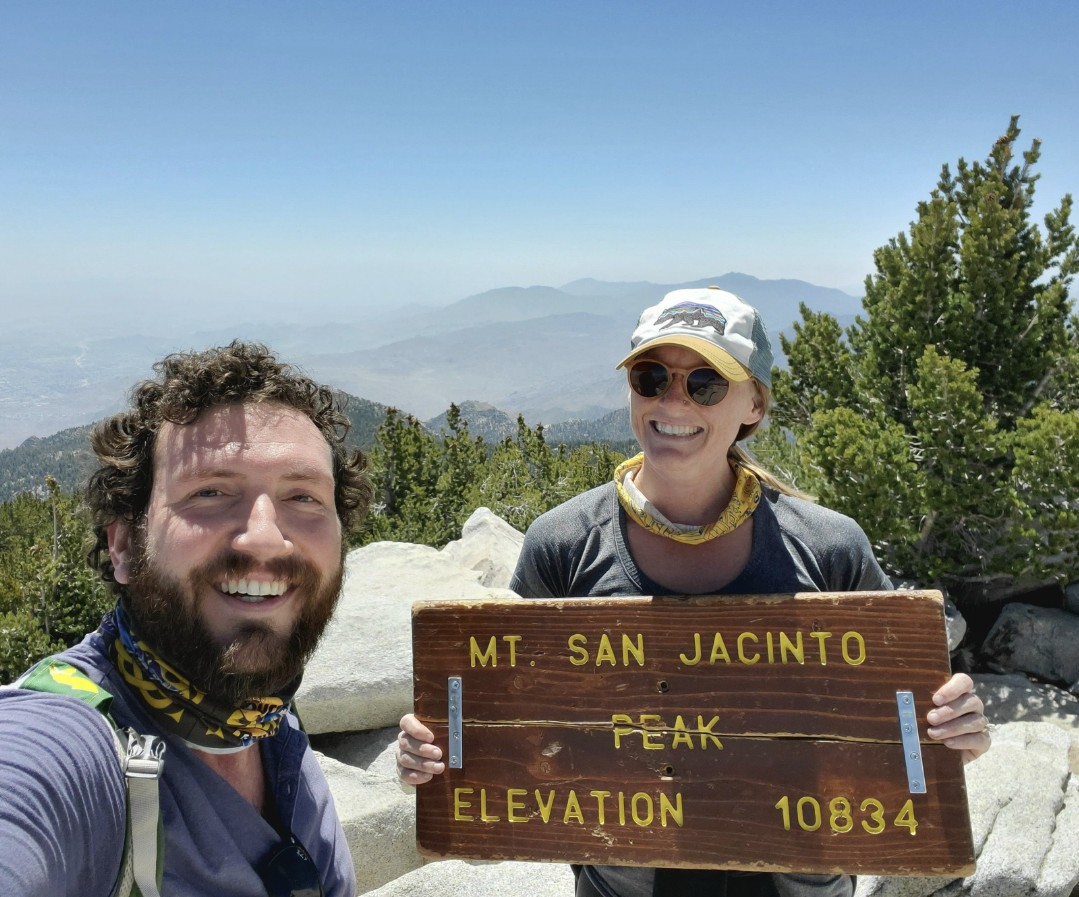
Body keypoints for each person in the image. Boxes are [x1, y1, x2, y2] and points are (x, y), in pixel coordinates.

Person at [397, 287, 991, 897]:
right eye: (651, 377)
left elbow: (899, 718)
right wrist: (435, 755)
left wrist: (952, 733)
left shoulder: (830, 547)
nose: (672, 400)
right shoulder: (563, 545)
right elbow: (505, 719)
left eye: (705, 383)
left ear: (754, 404)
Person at [0, 341, 372, 897]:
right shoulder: (66, 750)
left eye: (304, 496)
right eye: (211, 492)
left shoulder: (263, 715)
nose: (266, 537)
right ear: (124, 544)